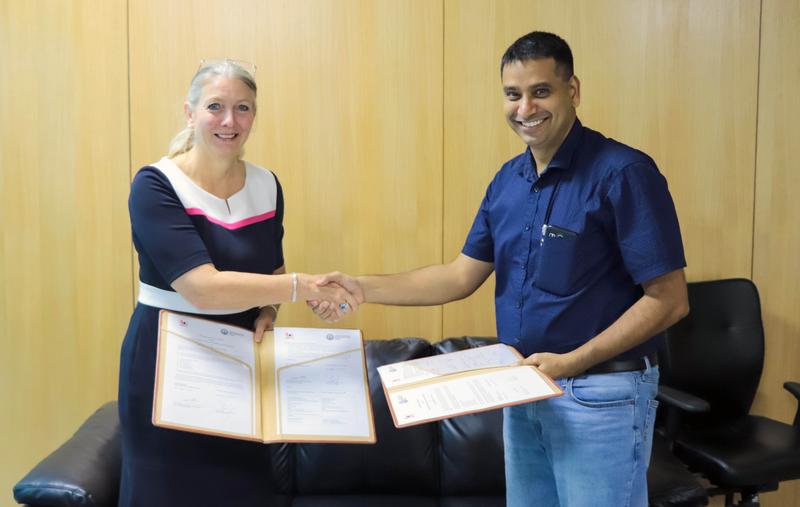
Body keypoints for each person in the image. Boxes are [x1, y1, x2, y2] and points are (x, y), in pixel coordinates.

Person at [312, 31, 688, 506]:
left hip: (601, 396)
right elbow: (458, 276)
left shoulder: (623, 173)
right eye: (513, 95)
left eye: (540, 91)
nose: (525, 108)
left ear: (572, 91)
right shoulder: (508, 181)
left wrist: (573, 361)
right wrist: (359, 286)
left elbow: (669, 300)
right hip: (525, 389)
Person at [118, 59, 359, 506]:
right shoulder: (155, 184)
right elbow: (201, 288)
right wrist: (301, 287)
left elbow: (267, 275)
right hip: (168, 363)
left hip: (239, 366)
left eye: (243, 108)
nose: (230, 121)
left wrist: (270, 311)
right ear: (189, 113)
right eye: (215, 106)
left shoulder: (267, 185)